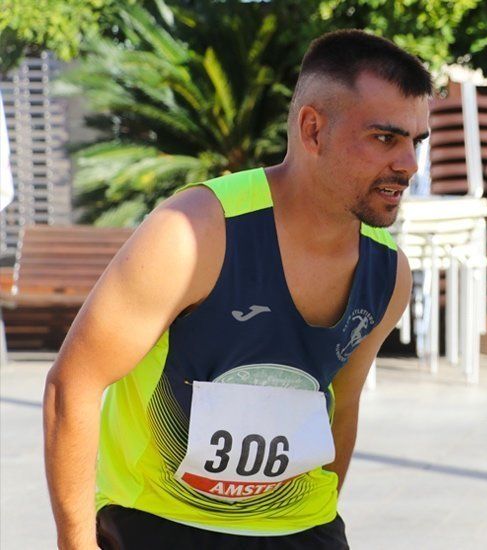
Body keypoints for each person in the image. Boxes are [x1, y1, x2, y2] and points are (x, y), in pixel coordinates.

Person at [43, 29, 431, 550]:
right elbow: (74, 384)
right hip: (160, 525)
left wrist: (308, 522)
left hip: (303, 532)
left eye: (415, 141)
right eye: (385, 138)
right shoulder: (193, 233)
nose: (409, 164)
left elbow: (342, 403)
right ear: (313, 130)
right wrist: (75, 542)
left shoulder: (388, 272)